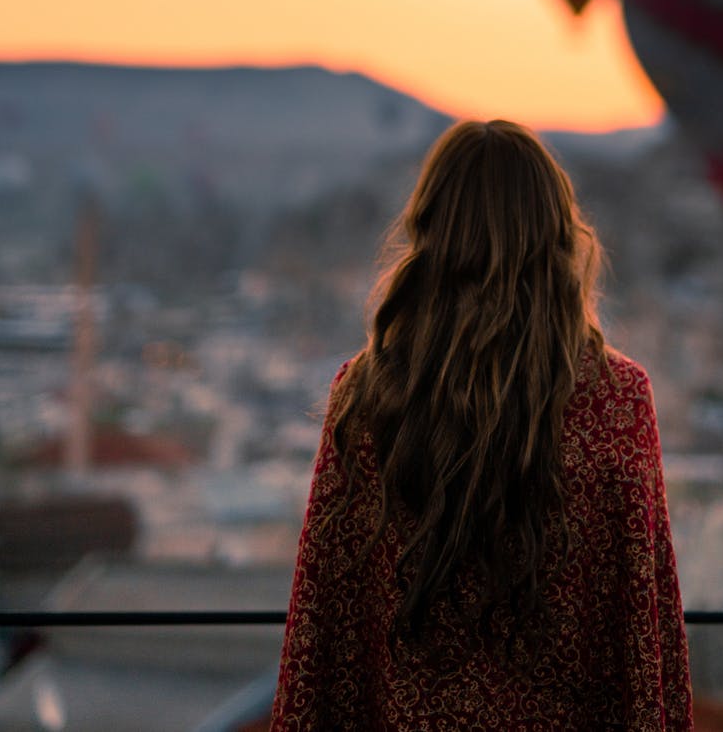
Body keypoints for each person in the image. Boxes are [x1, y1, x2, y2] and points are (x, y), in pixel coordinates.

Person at [270, 119, 693, 730]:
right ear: (556, 239)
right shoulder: (618, 400)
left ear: (431, 235)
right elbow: (646, 643)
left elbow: (319, 638)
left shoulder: (367, 395)